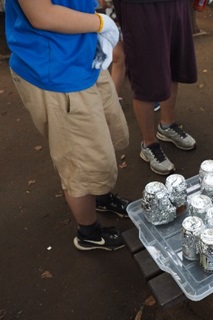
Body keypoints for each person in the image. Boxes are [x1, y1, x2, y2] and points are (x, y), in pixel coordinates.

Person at [6, 0, 131, 251]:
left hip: (84, 55)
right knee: (79, 162)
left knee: (103, 137)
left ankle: (101, 197)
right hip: (58, 71)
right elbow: (42, 14)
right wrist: (100, 22)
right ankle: (89, 232)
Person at [113, 0, 197, 176]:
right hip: (141, 7)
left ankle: (167, 125)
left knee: (174, 64)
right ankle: (148, 143)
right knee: (146, 74)